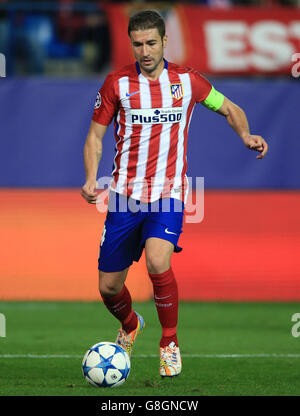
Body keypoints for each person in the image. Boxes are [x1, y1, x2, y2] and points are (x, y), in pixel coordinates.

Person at [81, 9, 268, 378]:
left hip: (169, 193)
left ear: (165, 41)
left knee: (157, 261)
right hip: (124, 196)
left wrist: (245, 135)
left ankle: (169, 342)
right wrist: (91, 177)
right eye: (138, 44)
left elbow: (229, 108)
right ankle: (132, 323)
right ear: (131, 44)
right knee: (108, 287)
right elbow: (95, 136)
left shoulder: (188, 82)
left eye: (151, 42)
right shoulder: (116, 84)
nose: (145, 50)